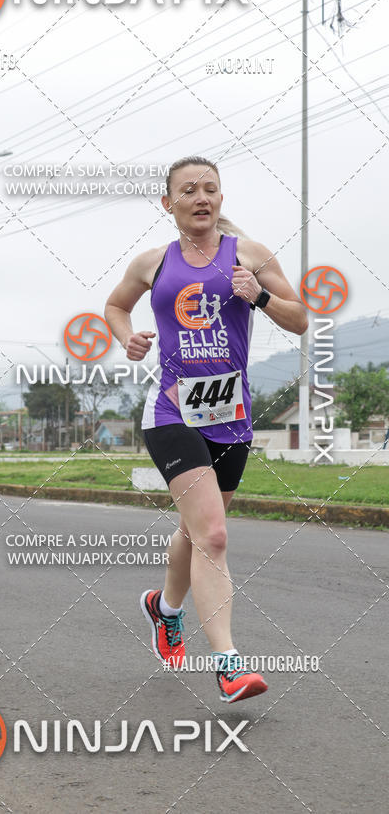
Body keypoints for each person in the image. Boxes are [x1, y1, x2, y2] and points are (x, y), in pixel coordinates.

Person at [104, 156, 308, 703]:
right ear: (167, 203)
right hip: (173, 413)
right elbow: (115, 306)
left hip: (231, 418)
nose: (201, 197)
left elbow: (300, 319)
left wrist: (259, 296)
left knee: (197, 531)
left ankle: (164, 608)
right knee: (214, 535)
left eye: (210, 189)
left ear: (221, 198)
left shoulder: (251, 256)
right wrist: (127, 337)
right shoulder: (152, 262)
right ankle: (228, 665)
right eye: (189, 190)